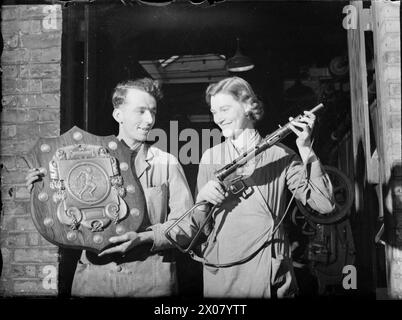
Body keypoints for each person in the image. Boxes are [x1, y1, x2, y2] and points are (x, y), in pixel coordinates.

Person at [26, 78, 194, 297]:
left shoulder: (166, 162)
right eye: (140, 111)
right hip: (95, 281)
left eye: (153, 111)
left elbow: (189, 225)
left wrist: (145, 237)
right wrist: (42, 189)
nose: (149, 119)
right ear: (118, 115)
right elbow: (60, 216)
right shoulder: (83, 158)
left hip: (150, 281)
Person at [192, 76, 335, 298]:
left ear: (248, 106)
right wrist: (202, 202)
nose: (218, 118)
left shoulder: (282, 155)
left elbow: (324, 204)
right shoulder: (210, 157)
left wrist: (305, 147)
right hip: (225, 271)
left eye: (225, 109)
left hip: (268, 269)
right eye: (214, 112)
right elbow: (200, 228)